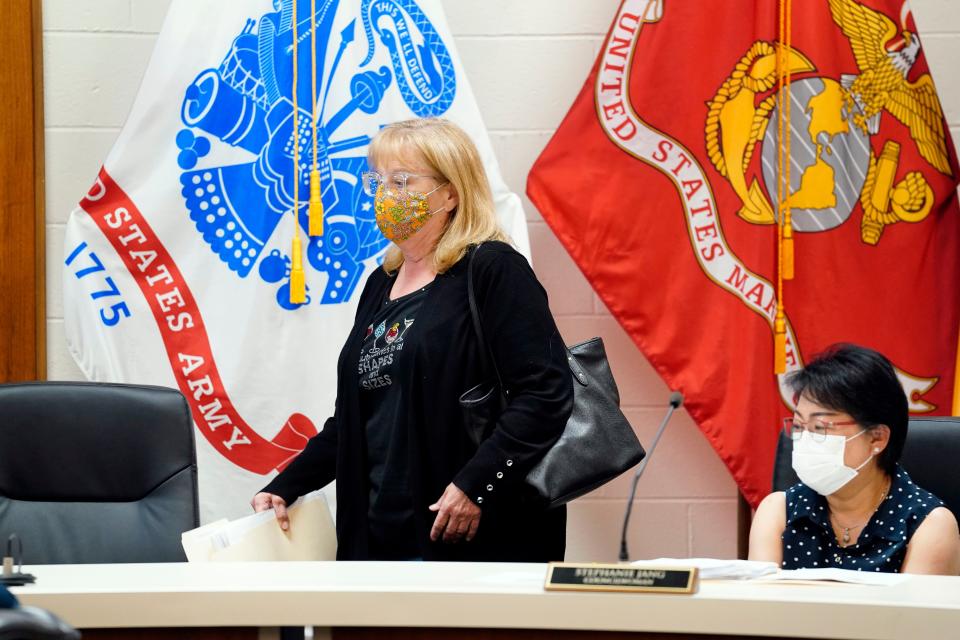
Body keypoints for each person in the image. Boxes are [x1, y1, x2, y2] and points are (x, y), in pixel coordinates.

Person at [252, 117, 573, 561]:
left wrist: (474, 486)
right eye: (378, 180)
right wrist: (286, 485)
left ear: (451, 192)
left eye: (402, 180)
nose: (386, 194)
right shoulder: (380, 284)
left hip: (462, 528)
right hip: (378, 530)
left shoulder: (492, 269)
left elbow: (545, 394)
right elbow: (355, 421)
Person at [749, 343, 960, 574]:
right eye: (799, 426)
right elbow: (760, 608)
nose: (806, 439)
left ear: (876, 438)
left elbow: (912, 611)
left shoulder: (929, 524)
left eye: (820, 428)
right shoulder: (778, 511)